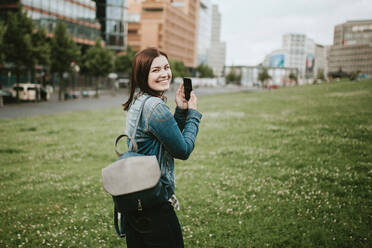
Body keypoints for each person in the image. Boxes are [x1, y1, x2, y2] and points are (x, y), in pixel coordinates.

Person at [121, 47, 202, 248]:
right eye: (155, 70)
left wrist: (180, 112)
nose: (164, 73)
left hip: (135, 202)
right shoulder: (154, 106)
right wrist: (192, 114)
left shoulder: (138, 101)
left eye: (166, 67)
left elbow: (165, 137)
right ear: (142, 74)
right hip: (154, 204)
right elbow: (182, 150)